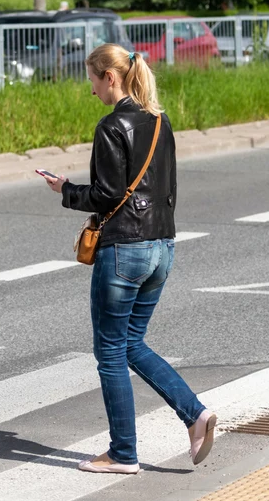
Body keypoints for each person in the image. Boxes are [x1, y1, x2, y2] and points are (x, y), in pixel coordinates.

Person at [40, 44, 216, 474]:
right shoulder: (160, 121)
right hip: (162, 247)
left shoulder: (110, 126)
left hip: (124, 251)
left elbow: (107, 194)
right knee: (130, 343)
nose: (91, 88)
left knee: (110, 353)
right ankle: (194, 414)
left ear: (111, 78)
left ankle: (123, 453)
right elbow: (168, 189)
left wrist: (65, 190)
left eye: (93, 79)